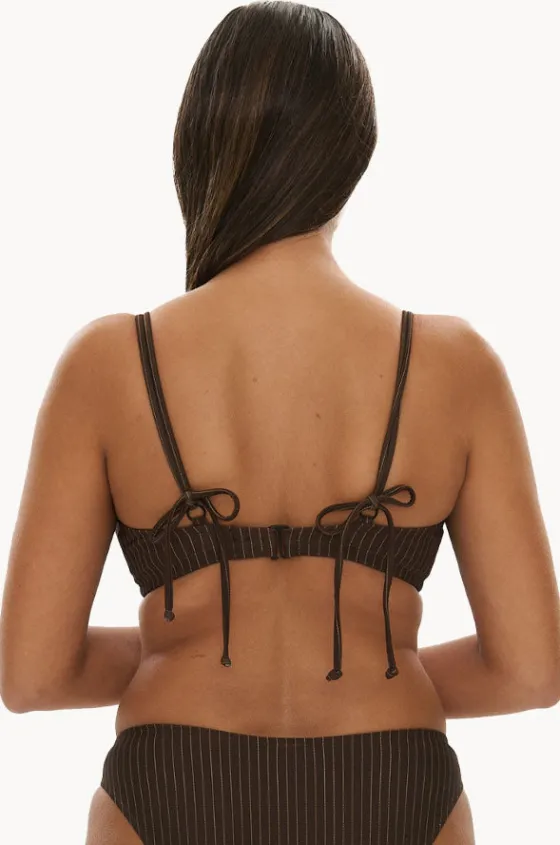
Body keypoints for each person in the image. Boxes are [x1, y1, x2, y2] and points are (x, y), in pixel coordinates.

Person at [1, 3, 559, 843]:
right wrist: (388, 665)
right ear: (354, 152)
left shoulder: (110, 363)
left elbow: (33, 675)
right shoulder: (455, 365)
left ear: (196, 146)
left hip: (173, 777)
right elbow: (530, 670)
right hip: (395, 777)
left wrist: (176, 645)